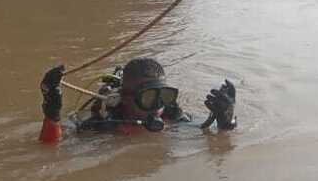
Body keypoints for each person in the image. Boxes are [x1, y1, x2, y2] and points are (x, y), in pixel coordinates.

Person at [38, 57, 237, 143]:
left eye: (164, 96)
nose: (158, 105)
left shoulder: (173, 116)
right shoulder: (104, 125)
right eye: (149, 98)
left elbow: (214, 139)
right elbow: (52, 151)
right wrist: (52, 115)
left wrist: (225, 122)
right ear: (125, 98)